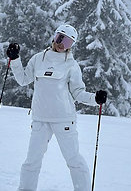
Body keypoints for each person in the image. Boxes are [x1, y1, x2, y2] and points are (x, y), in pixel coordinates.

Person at [6, 24, 107, 191]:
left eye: (68, 42)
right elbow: (23, 79)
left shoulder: (71, 65)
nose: (62, 44)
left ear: (71, 45)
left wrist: (95, 99)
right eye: (61, 38)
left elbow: (78, 93)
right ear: (54, 36)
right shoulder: (38, 59)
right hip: (40, 119)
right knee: (32, 161)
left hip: (64, 120)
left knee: (73, 159)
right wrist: (15, 59)